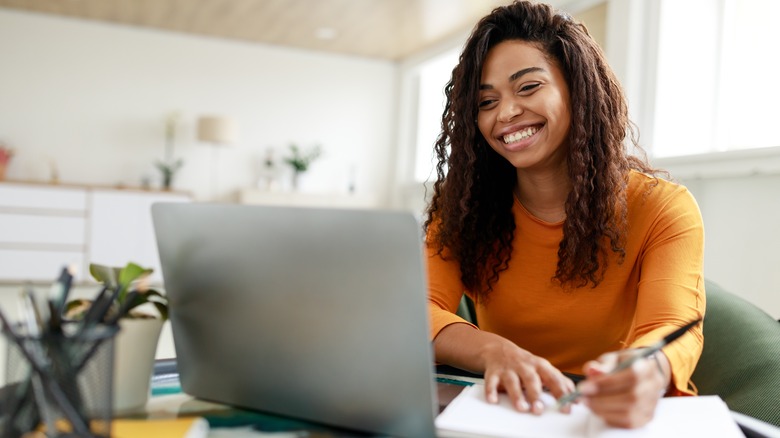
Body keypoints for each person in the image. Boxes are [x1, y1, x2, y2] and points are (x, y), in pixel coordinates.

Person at [424, 0, 705, 429]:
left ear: (578, 87)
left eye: (528, 87)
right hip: (503, 414)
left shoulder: (663, 207)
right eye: (486, 101)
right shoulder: (463, 207)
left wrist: (647, 371)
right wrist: (494, 351)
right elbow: (418, 308)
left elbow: (672, 327)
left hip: (607, 418)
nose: (506, 113)